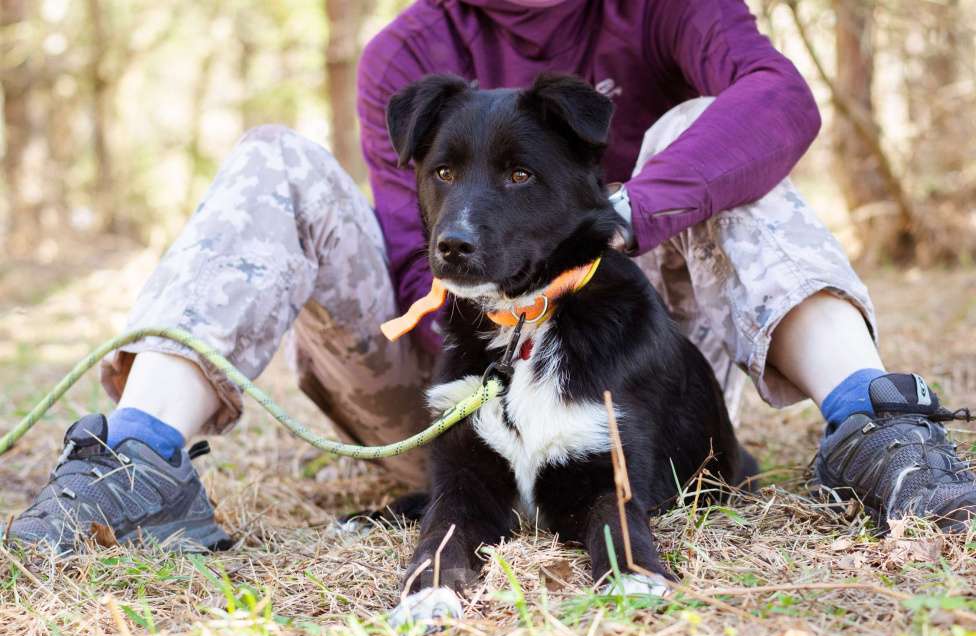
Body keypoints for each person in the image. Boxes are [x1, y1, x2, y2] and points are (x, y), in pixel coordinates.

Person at [7, 0, 974, 552]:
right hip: (445, 387)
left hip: (631, 380)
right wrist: (498, 305)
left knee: (704, 134)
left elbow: (781, 99)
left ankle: (875, 425)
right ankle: (139, 458)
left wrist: (627, 217)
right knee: (275, 158)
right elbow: (410, 249)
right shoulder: (409, 53)